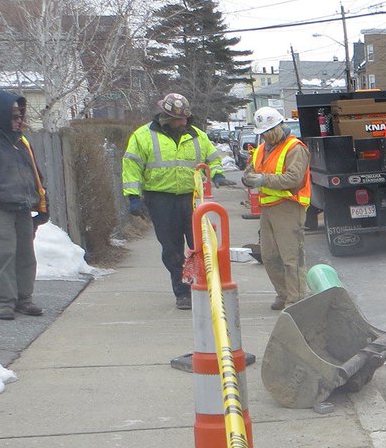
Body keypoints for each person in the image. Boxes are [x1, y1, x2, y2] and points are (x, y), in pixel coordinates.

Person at [122, 93, 230, 310]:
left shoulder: (197, 136)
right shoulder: (143, 136)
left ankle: (202, 285)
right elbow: (132, 166)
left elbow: (213, 158)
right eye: (179, 119)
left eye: (186, 119)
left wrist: (217, 173)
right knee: (171, 248)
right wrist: (133, 197)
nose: (184, 123)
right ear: (166, 116)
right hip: (160, 199)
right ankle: (182, 291)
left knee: (199, 245)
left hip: (190, 199)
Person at [0, 90, 48, 320]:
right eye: (14, 116)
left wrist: (42, 204)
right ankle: (3, 302)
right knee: (3, 252)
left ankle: (24, 299)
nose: (19, 120)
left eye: (20, 115)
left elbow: (34, 174)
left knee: (25, 254)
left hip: (21, 204)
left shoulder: (20, 141)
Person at [242, 107, 310, 310]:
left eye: (269, 131)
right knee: (270, 256)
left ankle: (296, 300)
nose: (266, 136)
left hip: (289, 206)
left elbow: (294, 179)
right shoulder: (262, 148)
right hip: (268, 207)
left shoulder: (295, 148)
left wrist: (262, 179)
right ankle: (283, 294)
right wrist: (249, 179)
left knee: (291, 258)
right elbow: (253, 170)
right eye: (263, 133)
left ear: (280, 126)